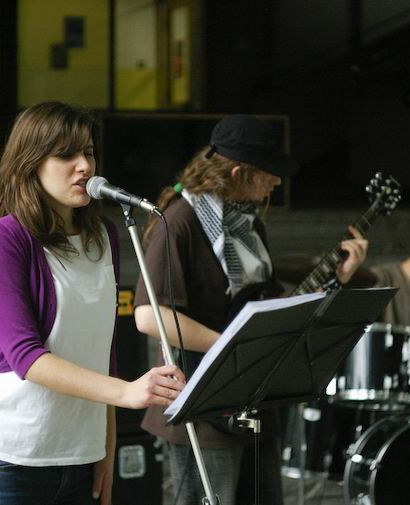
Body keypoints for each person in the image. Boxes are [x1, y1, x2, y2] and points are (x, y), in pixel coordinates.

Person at [133, 114, 368, 505]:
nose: (276, 182)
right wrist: (231, 345)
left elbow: (265, 307)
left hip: (255, 399)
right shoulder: (180, 221)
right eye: (269, 173)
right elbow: (148, 316)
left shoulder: (249, 225)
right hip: (204, 406)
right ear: (239, 173)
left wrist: (336, 281)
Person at [0, 101, 185, 505]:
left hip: (82, 455)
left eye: (89, 152)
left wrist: (106, 449)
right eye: (66, 155)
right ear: (30, 163)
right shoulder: (3, 239)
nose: (84, 166)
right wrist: (128, 393)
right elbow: (26, 357)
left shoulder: (105, 236)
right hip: (9, 459)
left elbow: (103, 352)